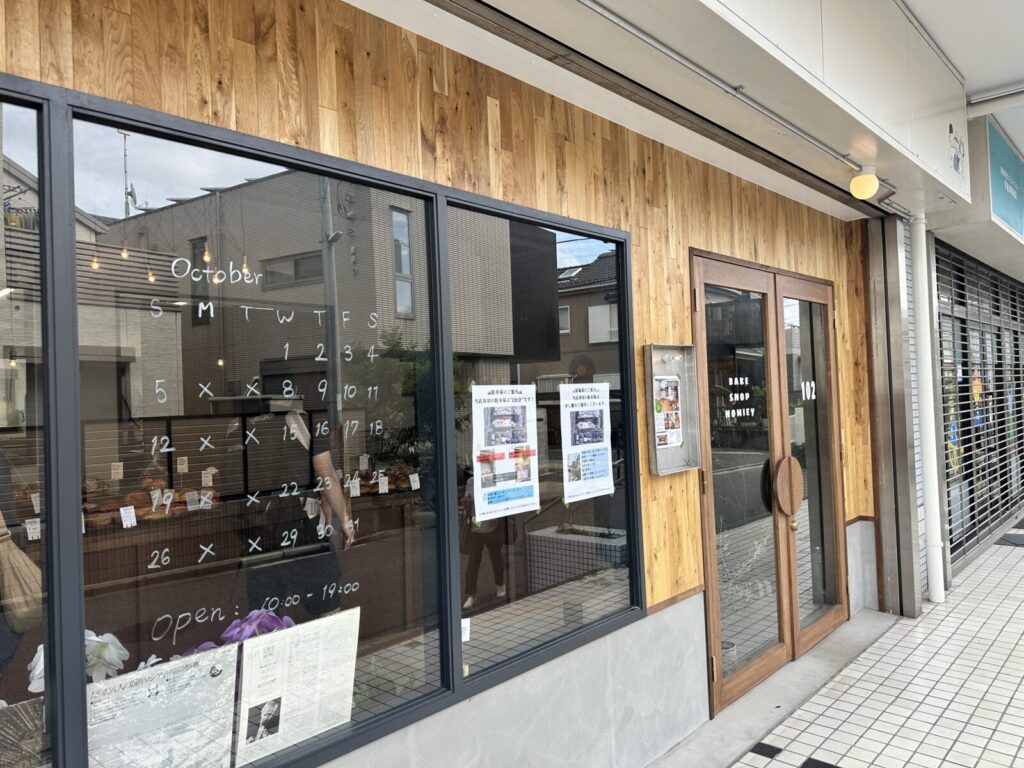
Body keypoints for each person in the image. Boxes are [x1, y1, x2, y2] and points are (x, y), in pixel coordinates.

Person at [460, 469, 505, 610]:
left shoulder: (494, 480)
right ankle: (471, 595)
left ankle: (500, 585)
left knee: (496, 558)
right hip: (475, 528)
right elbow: (466, 504)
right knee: (473, 563)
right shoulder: (471, 482)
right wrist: (466, 503)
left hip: (493, 526)